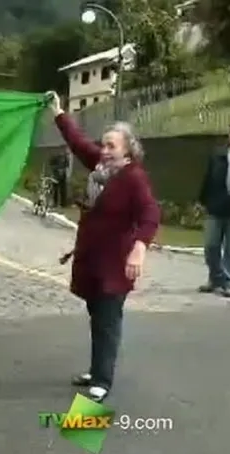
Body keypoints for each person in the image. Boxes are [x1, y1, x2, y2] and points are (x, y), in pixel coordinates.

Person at [45, 90, 160, 403]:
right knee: (97, 315)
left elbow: (150, 214)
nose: (104, 150)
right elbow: (78, 142)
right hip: (93, 260)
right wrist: (59, 114)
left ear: (128, 152)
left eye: (112, 146)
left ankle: (103, 380)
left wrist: (139, 248)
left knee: (108, 320)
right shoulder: (102, 168)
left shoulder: (133, 178)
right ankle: (96, 369)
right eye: (104, 144)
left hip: (114, 264)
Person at [197, 118, 230, 297]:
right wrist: (203, 200)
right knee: (211, 245)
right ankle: (215, 278)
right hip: (216, 206)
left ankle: (228, 282)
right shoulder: (218, 156)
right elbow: (207, 179)